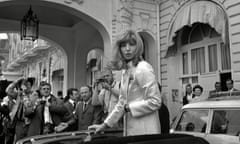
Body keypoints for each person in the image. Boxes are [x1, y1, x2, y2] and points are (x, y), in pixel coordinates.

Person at [88, 29, 162, 136]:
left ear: (138, 47)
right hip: (131, 131)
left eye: (132, 44)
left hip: (146, 132)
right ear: (119, 49)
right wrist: (104, 125)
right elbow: (121, 103)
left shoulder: (143, 68)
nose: (127, 49)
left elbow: (155, 101)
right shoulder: (125, 71)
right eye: (123, 45)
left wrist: (129, 107)